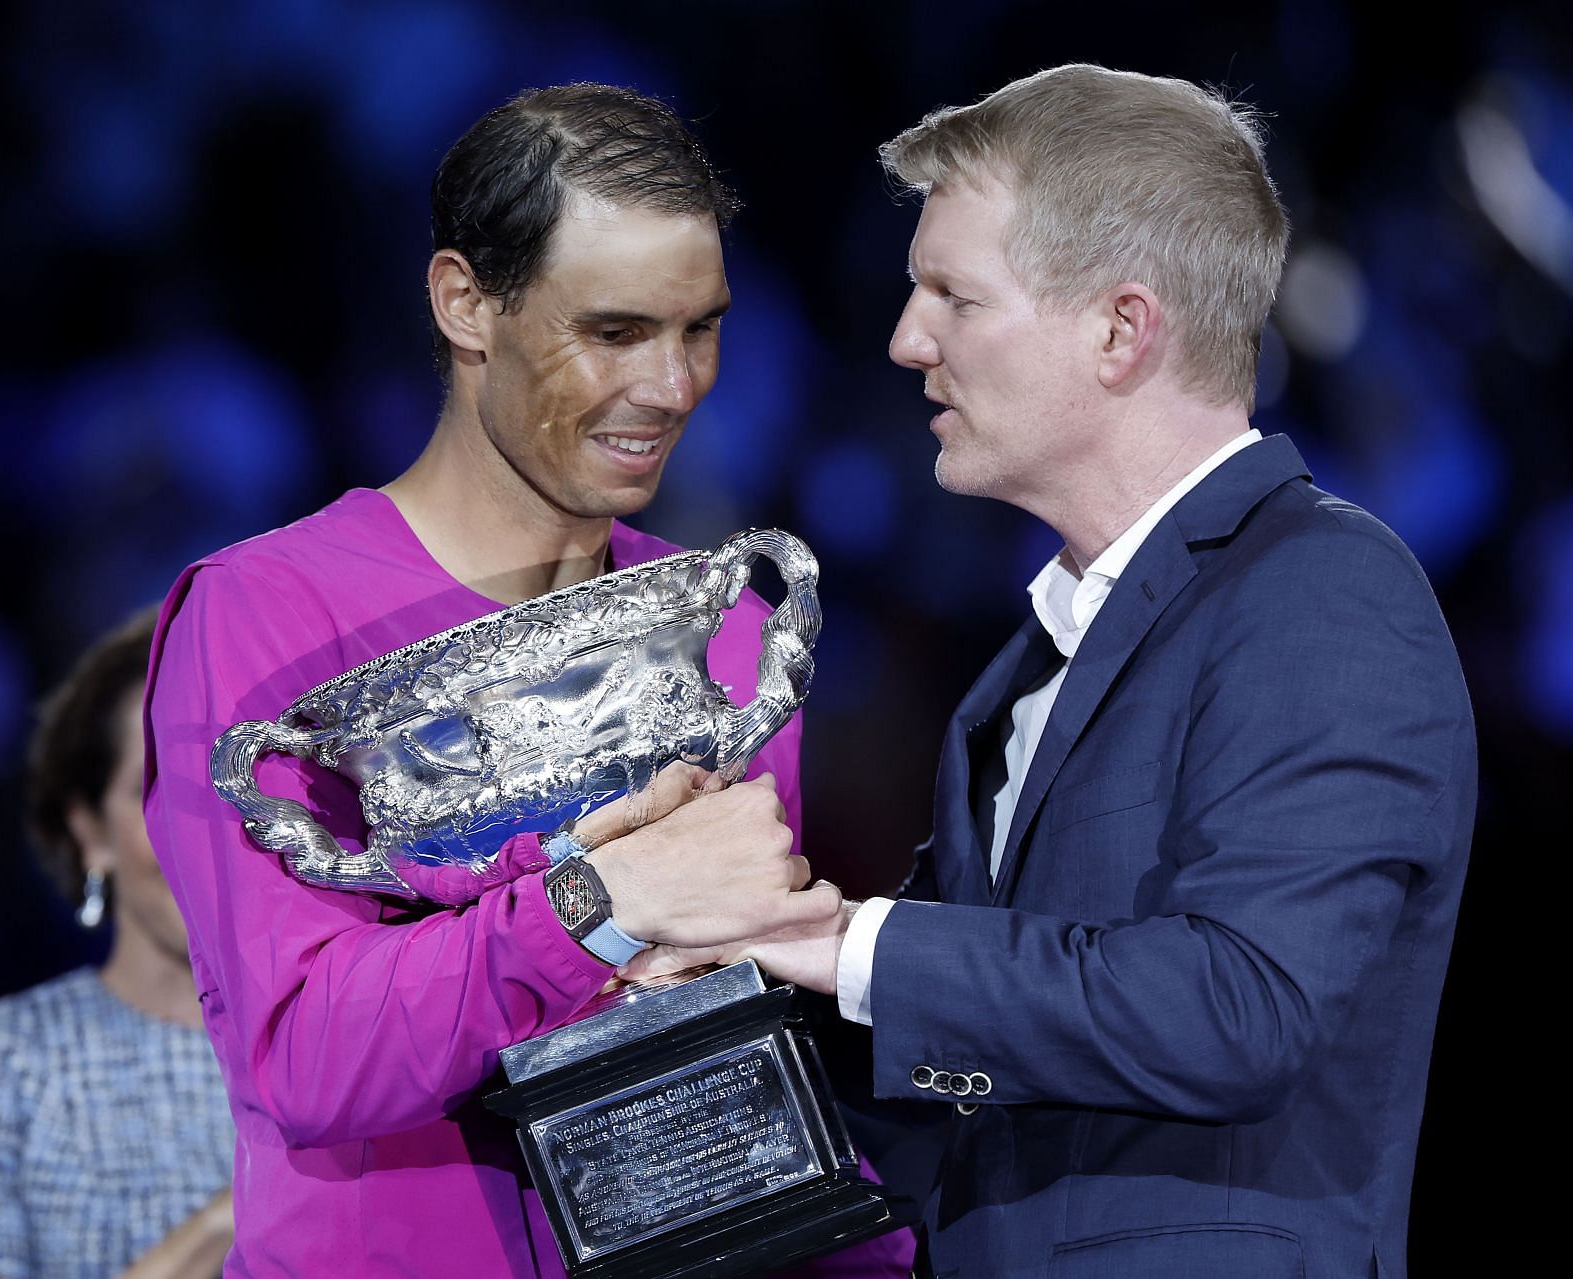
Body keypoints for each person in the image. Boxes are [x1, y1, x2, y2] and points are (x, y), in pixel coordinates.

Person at [632, 65, 1476, 1279]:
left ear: (1121, 332)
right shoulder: (1034, 659)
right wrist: (687, 961)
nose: (905, 339)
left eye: (954, 297)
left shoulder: (1323, 593)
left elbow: (1242, 1007)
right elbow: (976, 1043)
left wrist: (846, 942)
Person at [142, 84, 911, 1275]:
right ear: (465, 304)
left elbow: (719, 1055)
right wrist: (606, 901)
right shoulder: (264, 613)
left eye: (699, 328)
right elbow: (305, 1055)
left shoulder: (723, 629)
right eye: (612, 332)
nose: (672, 386)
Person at [0, 610, 236, 1279]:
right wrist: (238, 1216)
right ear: (91, 833)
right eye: (157, 791)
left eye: (230, 784)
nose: (200, 834)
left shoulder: (345, 1038)